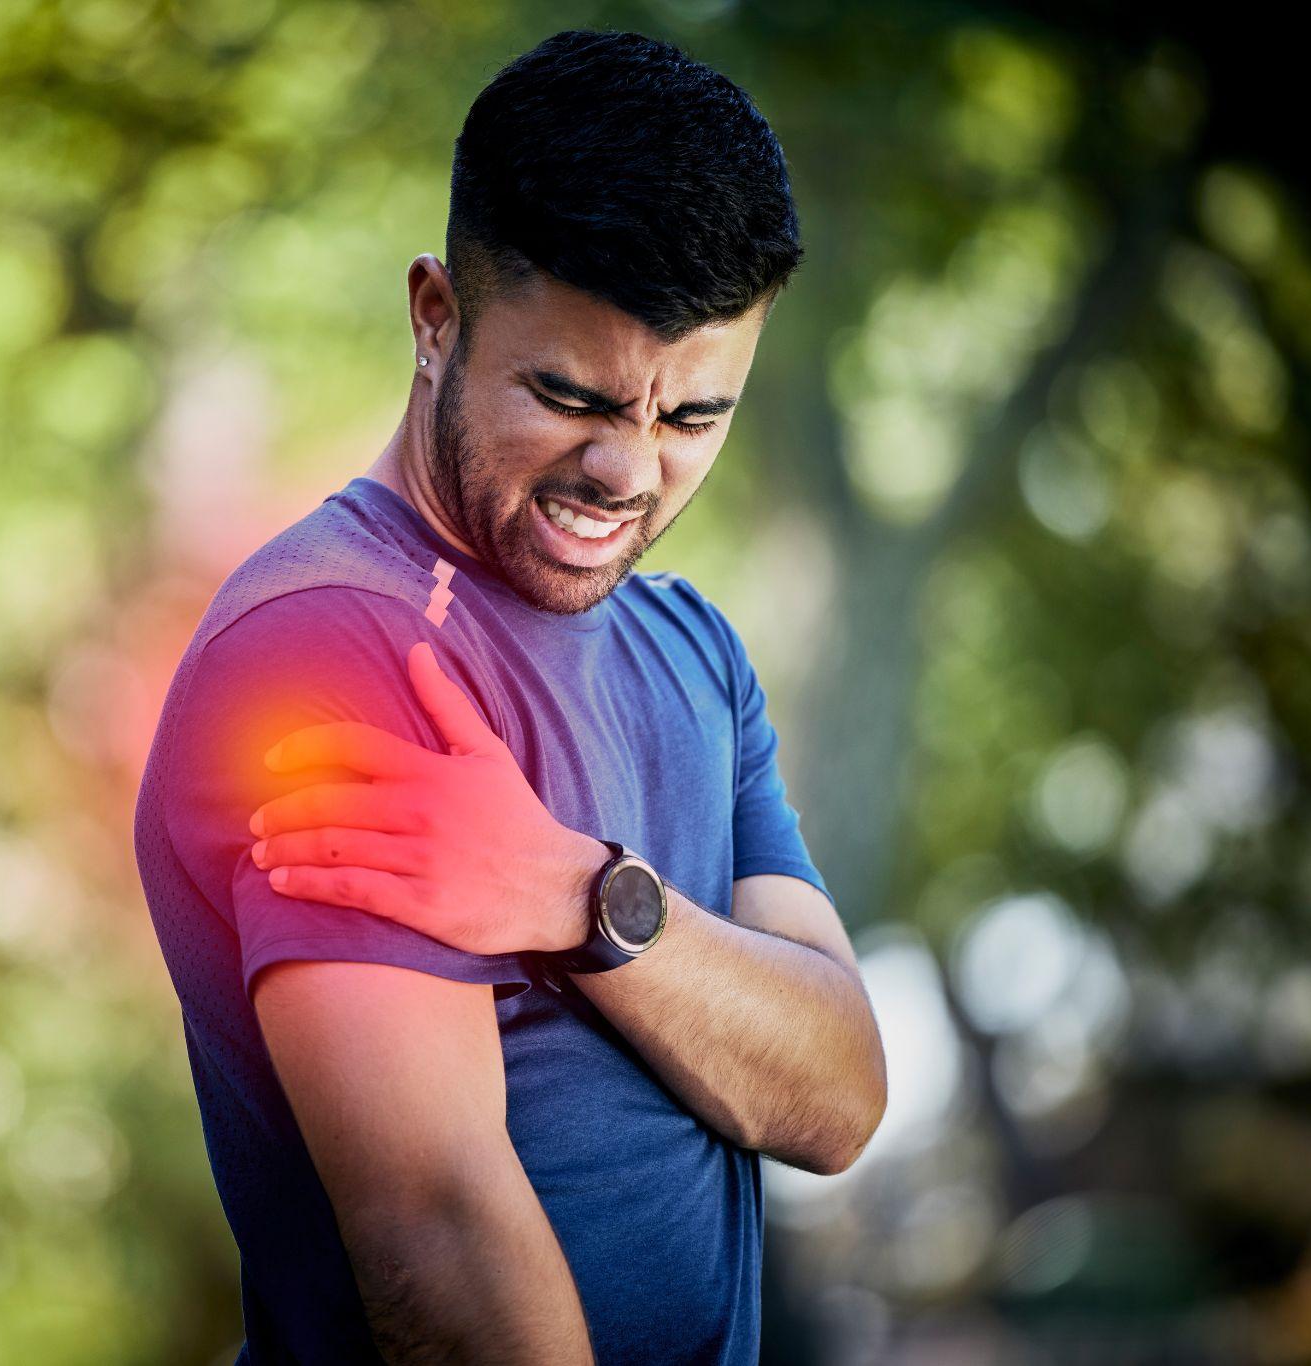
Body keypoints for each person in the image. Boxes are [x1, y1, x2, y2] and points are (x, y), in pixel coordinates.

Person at [133, 28, 887, 1364]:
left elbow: (837, 1095)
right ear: (436, 317)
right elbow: (437, 1245)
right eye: (568, 395)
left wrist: (579, 894)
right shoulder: (328, 651)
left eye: (693, 416)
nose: (627, 473)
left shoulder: (693, 648)